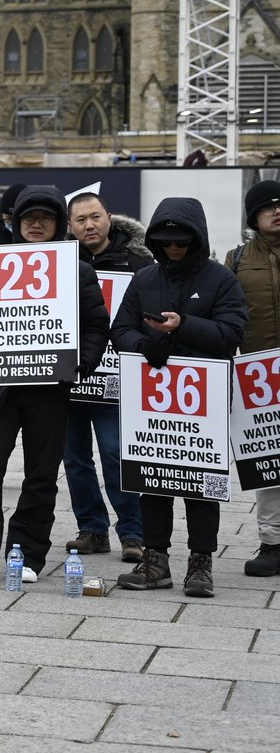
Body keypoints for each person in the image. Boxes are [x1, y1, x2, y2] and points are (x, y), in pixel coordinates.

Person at [0, 185, 110, 583]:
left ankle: (27, 555)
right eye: (28, 218)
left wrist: (84, 362)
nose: (36, 224)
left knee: (41, 476)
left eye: (46, 217)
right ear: (16, 223)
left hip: (49, 389)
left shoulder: (76, 268)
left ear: (59, 225)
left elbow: (95, 325)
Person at [112, 198, 247, 597]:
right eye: (166, 242)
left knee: (201, 485)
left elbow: (232, 333)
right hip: (152, 399)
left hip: (202, 402)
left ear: (197, 239)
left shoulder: (221, 279)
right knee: (152, 479)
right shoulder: (144, 278)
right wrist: (144, 344)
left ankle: (201, 564)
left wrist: (183, 325)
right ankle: (155, 560)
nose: (173, 249)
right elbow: (120, 329)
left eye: (181, 242)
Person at [62, 191, 152, 562]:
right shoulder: (58, 261)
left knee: (117, 453)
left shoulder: (140, 263)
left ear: (109, 217)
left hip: (116, 377)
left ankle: (133, 532)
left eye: (95, 217)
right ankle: (93, 529)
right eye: (80, 220)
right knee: (74, 458)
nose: (89, 225)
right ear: (70, 226)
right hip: (69, 375)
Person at [229, 179, 280, 577]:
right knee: (269, 465)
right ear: (253, 217)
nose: (277, 211)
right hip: (259, 377)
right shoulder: (236, 259)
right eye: (268, 208)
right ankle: (272, 543)